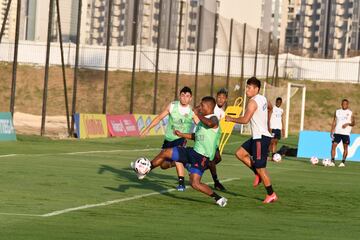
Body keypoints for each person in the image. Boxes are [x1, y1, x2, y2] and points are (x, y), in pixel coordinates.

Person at [134, 96, 227, 207]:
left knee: (195, 183)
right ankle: (146, 169)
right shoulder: (202, 122)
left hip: (202, 157)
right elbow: (196, 136)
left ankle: (218, 198)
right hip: (193, 152)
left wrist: (197, 114)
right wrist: (182, 134)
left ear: (208, 106)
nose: (200, 107)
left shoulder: (213, 118)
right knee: (166, 152)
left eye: (202, 105)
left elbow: (210, 124)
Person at [225, 77, 278, 204]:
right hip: (258, 137)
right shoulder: (263, 98)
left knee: (261, 168)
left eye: (249, 88)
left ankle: (271, 194)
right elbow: (270, 108)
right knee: (240, 153)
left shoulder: (253, 102)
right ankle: (257, 174)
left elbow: (245, 120)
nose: (246, 90)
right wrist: (267, 124)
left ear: (256, 89)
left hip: (260, 138)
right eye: (246, 87)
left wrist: (230, 119)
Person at [140, 86, 195, 191]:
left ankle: (181, 183)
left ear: (190, 98)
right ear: (180, 96)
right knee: (163, 165)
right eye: (183, 95)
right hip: (168, 139)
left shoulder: (191, 111)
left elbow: (199, 123)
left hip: (180, 139)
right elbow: (160, 117)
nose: (184, 98)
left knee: (178, 156)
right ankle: (186, 163)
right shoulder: (172, 106)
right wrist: (147, 129)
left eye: (187, 96)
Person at [208, 88, 228, 191]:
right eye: (219, 97)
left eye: (223, 98)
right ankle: (216, 182)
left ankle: (195, 168)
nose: (220, 99)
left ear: (226, 99)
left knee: (217, 159)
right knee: (212, 160)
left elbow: (225, 119)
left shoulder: (222, 112)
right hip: (207, 138)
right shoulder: (211, 106)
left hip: (213, 139)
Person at [330, 99, 355, 167]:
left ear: (347, 104)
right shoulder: (337, 111)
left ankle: (343, 162)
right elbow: (334, 121)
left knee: (345, 148)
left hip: (345, 133)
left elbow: (353, 123)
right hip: (337, 132)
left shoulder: (350, 113)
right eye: (343, 103)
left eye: (345, 104)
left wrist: (348, 124)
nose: (344, 105)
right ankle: (332, 161)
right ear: (341, 104)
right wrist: (332, 130)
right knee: (333, 146)